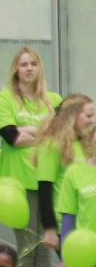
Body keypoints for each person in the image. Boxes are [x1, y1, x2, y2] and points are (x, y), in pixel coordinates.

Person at [0, 47, 61, 267]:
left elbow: (61, 136)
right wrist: (42, 133)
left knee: (44, 248)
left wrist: (27, 130)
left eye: (34, 63)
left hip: (47, 181)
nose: (29, 68)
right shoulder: (5, 98)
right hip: (19, 183)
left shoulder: (53, 99)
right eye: (24, 64)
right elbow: (12, 138)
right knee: (27, 247)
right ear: (16, 69)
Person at [36, 94, 95, 257]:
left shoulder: (86, 144)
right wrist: (50, 229)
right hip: (65, 225)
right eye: (88, 116)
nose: (92, 121)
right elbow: (44, 189)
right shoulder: (52, 145)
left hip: (85, 222)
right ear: (72, 116)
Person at [56, 133, 96, 267]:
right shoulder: (74, 172)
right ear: (91, 138)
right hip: (83, 253)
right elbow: (68, 218)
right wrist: (66, 256)